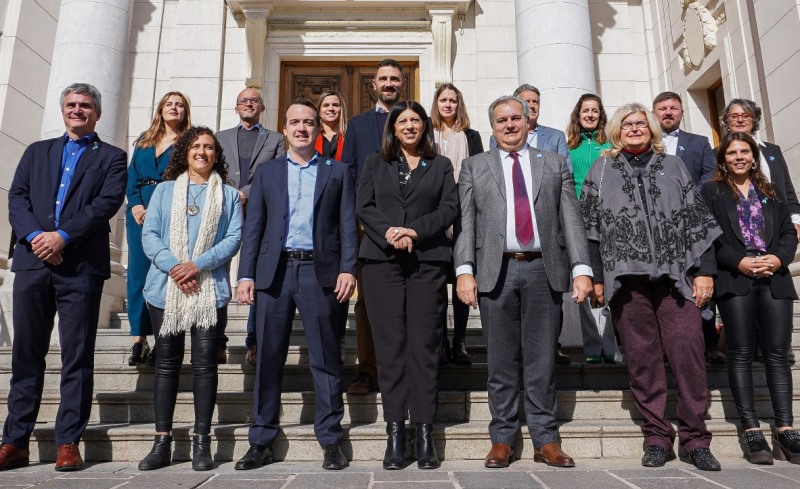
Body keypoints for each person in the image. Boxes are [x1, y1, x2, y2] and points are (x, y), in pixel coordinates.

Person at [580, 103, 722, 470]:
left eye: (641, 123)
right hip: (627, 282)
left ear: (652, 128)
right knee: (642, 361)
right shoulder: (601, 170)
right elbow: (590, 228)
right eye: (627, 124)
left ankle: (695, 438)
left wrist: (705, 272)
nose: (634, 128)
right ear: (616, 131)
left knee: (688, 355)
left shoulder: (673, 166)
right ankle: (657, 436)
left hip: (677, 279)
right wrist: (597, 278)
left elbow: (697, 220)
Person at [455, 95, 592, 469]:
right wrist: (464, 270)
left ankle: (546, 439)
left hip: (542, 271)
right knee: (500, 362)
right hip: (495, 272)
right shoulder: (474, 166)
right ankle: (502, 438)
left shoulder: (553, 163)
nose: (510, 125)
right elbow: (466, 223)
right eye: (501, 120)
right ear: (493, 127)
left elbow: (570, 218)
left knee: (542, 360)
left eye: (516, 118)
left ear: (529, 121)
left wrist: (581, 268)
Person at [1, 82, 127, 471]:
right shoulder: (37, 152)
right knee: (26, 354)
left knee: (76, 356)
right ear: (62, 110)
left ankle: (68, 441)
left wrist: (63, 236)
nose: (77, 110)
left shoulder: (113, 157)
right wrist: (37, 237)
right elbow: (17, 197)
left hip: (81, 268)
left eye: (85, 105)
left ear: (97, 113)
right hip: (33, 264)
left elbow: (106, 203)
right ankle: (15, 441)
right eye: (71, 104)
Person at [235, 98, 357, 471]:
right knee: (268, 358)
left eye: (308, 122)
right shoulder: (268, 172)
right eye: (294, 122)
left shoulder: (338, 171)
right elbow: (254, 227)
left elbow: (348, 225)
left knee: (325, 358)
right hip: (273, 273)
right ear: (285, 129)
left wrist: (348, 268)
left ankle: (331, 440)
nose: (302, 128)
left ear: (318, 129)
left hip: (320, 272)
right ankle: (261, 440)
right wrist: (245, 274)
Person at [358, 100, 458, 470]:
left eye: (416, 120)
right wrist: (389, 232)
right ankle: (396, 434)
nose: (410, 126)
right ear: (393, 128)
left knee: (424, 347)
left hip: (426, 262)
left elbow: (449, 209)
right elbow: (364, 205)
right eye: (403, 121)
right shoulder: (375, 162)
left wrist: (414, 231)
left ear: (425, 126)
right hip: (381, 262)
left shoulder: (441, 165)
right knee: (390, 349)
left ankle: (425, 433)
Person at [136, 126, 242, 471]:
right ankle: (161, 441)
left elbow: (233, 239)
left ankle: (201, 441)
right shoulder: (164, 191)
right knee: (166, 365)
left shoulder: (228, 195)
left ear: (216, 154)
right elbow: (150, 235)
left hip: (209, 291)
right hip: (165, 290)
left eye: (209, 147)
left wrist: (197, 265)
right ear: (185, 151)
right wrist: (175, 267)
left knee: (205, 365)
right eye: (195, 145)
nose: (202, 152)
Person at [700, 132, 800, 465]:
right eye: (732, 153)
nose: (739, 157)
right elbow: (710, 238)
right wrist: (739, 261)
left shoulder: (771, 192)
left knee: (777, 355)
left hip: (774, 279)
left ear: (754, 157)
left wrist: (779, 259)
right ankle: (752, 430)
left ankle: (785, 429)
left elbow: (788, 233)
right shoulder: (711, 192)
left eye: (745, 151)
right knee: (740, 354)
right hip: (736, 279)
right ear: (723, 159)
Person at [492, 84, 573, 364]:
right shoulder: (495, 144)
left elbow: (565, 190)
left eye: (535, 101)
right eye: (526, 100)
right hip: (503, 257)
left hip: (544, 247)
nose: (532, 105)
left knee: (543, 345)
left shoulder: (555, 140)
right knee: (504, 353)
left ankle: (554, 347)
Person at [342, 58, 405, 395]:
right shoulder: (358, 125)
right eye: (383, 78)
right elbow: (348, 175)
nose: (389, 83)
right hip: (368, 228)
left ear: (402, 83)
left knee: (409, 303)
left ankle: (405, 371)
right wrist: (354, 222)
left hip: (410, 227)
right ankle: (367, 371)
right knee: (367, 303)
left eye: (394, 78)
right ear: (374, 85)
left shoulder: (415, 119)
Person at [722, 98, 800, 367]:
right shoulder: (720, 153)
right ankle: (755, 346)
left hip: (775, 231)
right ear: (727, 120)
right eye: (734, 115)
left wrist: (795, 219)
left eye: (745, 115)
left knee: (775, 289)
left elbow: (787, 189)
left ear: (754, 120)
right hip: (740, 238)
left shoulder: (772, 151)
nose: (740, 119)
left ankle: (780, 346)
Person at [652, 91, 723, 365]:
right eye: (662, 108)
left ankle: (709, 344)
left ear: (681, 112)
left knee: (701, 281)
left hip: (694, 222)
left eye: (673, 107)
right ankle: (664, 349)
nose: (668, 112)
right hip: (656, 226)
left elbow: (710, 175)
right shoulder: (648, 142)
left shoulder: (699, 142)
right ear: (654, 113)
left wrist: (684, 197)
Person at [216, 87, 286, 365]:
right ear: (236, 107)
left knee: (258, 274)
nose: (249, 104)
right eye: (243, 101)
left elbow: (278, 172)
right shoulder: (219, 138)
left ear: (262, 107)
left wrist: (245, 192)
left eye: (254, 100)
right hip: (224, 210)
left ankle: (254, 341)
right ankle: (216, 341)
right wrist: (231, 194)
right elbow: (212, 170)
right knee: (217, 273)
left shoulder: (276, 139)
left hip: (261, 211)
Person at [125, 91, 191, 366]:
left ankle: (164, 338)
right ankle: (138, 339)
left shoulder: (189, 142)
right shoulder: (144, 139)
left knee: (166, 274)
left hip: (170, 210)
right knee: (138, 275)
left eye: (179, 105)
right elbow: (132, 176)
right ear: (161, 109)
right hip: (139, 212)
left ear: (185, 112)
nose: (174, 108)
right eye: (169, 104)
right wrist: (135, 205)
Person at [430, 83, 484, 366]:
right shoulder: (427, 133)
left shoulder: (471, 136)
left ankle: (459, 341)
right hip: (434, 213)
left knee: (463, 275)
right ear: (436, 104)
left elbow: (479, 173)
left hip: (465, 211)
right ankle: (440, 342)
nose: (448, 105)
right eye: (443, 100)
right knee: (438, 281)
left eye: (453, 100)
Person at [565, 93, 617, 364]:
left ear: (601, 115)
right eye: (585, 110)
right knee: (584, 279)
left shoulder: (610, 145)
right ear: (578, 114)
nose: (590, 115)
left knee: (607, 281)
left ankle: (611, 344)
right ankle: (592, 347)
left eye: (595, 110)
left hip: (607, 219)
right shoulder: (569, 147)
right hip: (578, 219)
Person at [316, 90, 347, 160]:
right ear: (319, 111)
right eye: (326, 105)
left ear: (341, 110)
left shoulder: (349, 136)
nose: (331, 109)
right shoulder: (312, 137)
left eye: (335, 105)